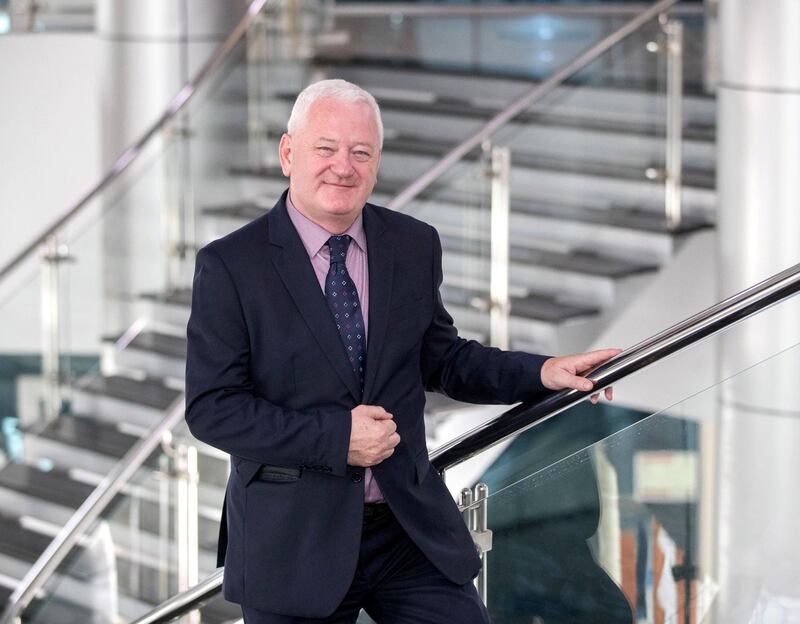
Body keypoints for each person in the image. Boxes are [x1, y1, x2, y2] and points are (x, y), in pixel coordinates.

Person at [185, 79, 619, 624]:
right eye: (326, 148)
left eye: (360, 152)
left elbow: (445, 360)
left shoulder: (412, 244)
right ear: (287, 152)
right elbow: (212, 409)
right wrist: (337, 438)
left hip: (406, 529)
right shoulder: (230, 266)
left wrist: (543, 372)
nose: (343, 166)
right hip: (293, 540)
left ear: (377, 162)